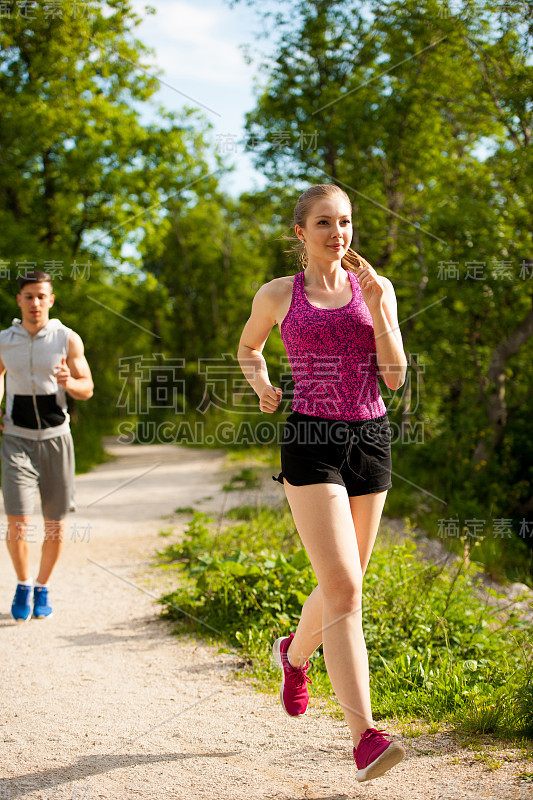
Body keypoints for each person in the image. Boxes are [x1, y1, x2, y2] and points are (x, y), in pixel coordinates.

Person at [237, 184, 408, 782]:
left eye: (345, 222)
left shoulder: (376, 291)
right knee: (343, 589)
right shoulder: (280, 294)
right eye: (325, 223)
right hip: (312, 439)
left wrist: (384, 313)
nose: (338, 232)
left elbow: (394, 378)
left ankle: (294, 652)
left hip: (371, 438)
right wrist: (262, 385)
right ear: (300, 233)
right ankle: (364, 736)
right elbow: (248, 348)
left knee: (345, 589)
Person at [0, 270, 94, 621]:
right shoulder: (4, 340)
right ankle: (23, 583)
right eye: (29, 296)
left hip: (56, 440)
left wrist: (71, 383)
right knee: (18, 521)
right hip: (16, 439)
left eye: (42, 296)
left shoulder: (67, 339)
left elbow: (87, 388)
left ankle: (42, 586)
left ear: (51, 300)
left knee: (54, 523)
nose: (35, 303)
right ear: (19, 300)